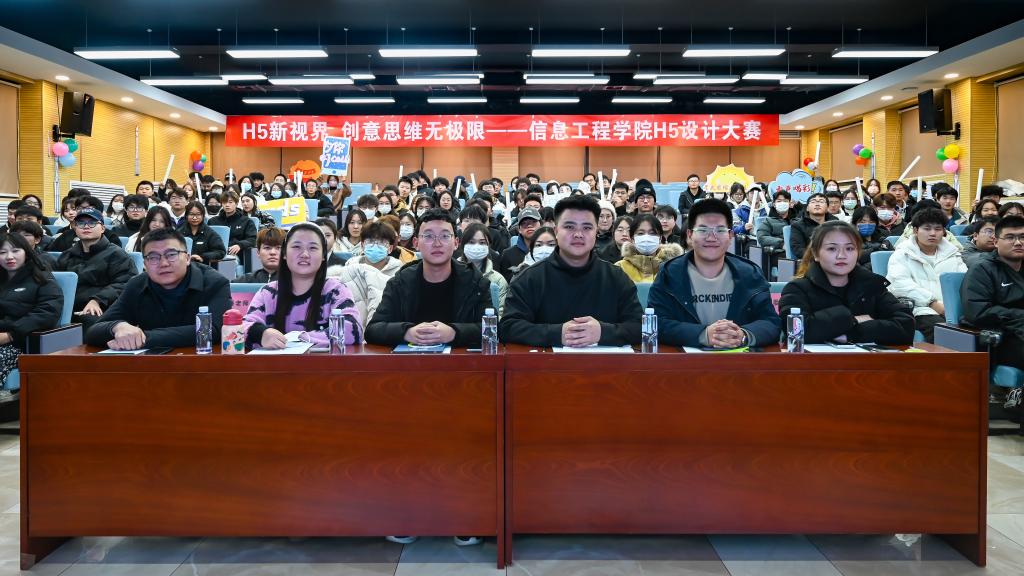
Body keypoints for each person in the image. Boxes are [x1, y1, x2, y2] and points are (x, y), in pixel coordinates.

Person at [499, 195, 642, 347]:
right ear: (556, 231)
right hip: (548, 361)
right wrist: (556, 333)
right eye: (569, 227)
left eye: (587, 228)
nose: (578, 234)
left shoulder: (616, 277)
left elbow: (640, 326)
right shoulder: (530, 278)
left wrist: (604, 332)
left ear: (596, 231)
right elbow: (508, 327)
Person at [649, 199, 781, 349]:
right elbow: (656, 323)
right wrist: (703, 334)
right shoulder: (669, 273)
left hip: (741, 361)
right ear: (690, 235)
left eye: (720, 230)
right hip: (685, 361)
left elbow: (771, 322)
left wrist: (742, 335)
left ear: (730, 236)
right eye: (703, 230)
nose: (711, 237)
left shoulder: (750, 274)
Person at [85, 228, 231, 350]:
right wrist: (117, 326)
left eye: (171, 255)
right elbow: (93, 332)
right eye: (153, 257)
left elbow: (213, 331)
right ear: (145, 264)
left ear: (187, 258)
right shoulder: (137, 285)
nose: (163, 263)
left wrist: (143, 338)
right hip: (151, 366)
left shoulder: (215, 283)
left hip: (201, 364)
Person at [365, 208, 491, 350]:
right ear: (416, 243)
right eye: (429, 236)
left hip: (462, 361)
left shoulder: (475, 282)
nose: (437, 243)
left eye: (445, 236)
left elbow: (492, 328)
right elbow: (373, 329)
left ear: (456, 243)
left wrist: (454, 332)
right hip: (411, 362)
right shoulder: (400, 282)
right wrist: (407, 332)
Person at [779, 221, 914, 345]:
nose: (841, 256)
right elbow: (796, 331)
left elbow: (906, 326)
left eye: (849, 249)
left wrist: (853, 333)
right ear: (816, 254)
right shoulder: (797, 289)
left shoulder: (871, 285)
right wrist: (853, 319)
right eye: (832, 249)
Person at [243, 223, 360, 350]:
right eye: (296, 247)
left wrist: (299, 338)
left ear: (323, 256)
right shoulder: (268, 292)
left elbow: (352, 329)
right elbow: (242, 328)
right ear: (284, 253)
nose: (304, 254)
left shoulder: (336, 290)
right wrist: (261, 334)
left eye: (313, 248)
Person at [886, 207, 967, 342]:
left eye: (938, 229)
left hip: (953, 310)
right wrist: (932, 302)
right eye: (927, 229)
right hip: (919, 310)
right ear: (916, 230)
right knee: (946, 334)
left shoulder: (953, 254)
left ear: (944, 232)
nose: (933, 233)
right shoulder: (902, 254)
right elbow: (899, 285)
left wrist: (953, 308)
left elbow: (964, 281)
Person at [0, 231, 62, 394]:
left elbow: (47, 313)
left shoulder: (42, 278)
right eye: (3, 252)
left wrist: (10, 335)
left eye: (15, 251)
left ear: (26, 252)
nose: (9, 257)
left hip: (21, 342)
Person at [961, 215, 1024, 375]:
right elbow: (978, 312)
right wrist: (1019, 316)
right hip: (1001, 337)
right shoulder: (982, 269)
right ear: (996, 242)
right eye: (1010, 237)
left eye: (1022, 237)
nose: (1018, 242)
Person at [55, 208, 137, 329]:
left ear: (102, 228)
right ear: (75, 229)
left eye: (92, 223)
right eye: (81, 223)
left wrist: (97, 300)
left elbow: (124, 283)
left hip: (103, 307)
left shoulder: (117, 254)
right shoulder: (67, 255)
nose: (86, 226)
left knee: (91, 322)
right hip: (68, 307)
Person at [615, 214, 684, 283]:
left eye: (652, 233)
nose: (646, 237)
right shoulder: (620, 268)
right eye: (641, 233)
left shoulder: (673, 268)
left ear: (660, 238)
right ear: (632, 239)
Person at [457, 223, 508, 315]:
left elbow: (501, 313)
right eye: (471, 242)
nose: (476, 246)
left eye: (482, 243)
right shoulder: (451, 274)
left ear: (488, 246)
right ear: (463, 244)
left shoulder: (498, 280)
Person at [209, 189, 258, 265]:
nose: (227, 205)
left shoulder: (246, 221)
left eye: (230, 202)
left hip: (234, 253)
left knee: (228, 260)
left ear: (236, 203)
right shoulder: (213, 221)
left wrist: (240, 245)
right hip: (214, 252)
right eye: (224, 202)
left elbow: (252, 239)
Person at [789, 192, 837, 260]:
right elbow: (798, 249)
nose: (817, 204)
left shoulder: (835, 223)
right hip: (811, 261)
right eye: (813, 202)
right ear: (807, 208)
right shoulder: (798, 226)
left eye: (821, 201)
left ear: (827, 208)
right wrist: (820, 256)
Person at [498, 207, 541, 280]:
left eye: (533, 221)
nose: (529, 225)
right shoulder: (508, 254)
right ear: (519, 229)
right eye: (524, 223)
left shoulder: (549, 250)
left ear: (541, 225)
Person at [850, 205, 893, 270]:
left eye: (871, 222)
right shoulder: (850, 241)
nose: (867, 224)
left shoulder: (883, 239)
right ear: (855, 224)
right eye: (862, 222)